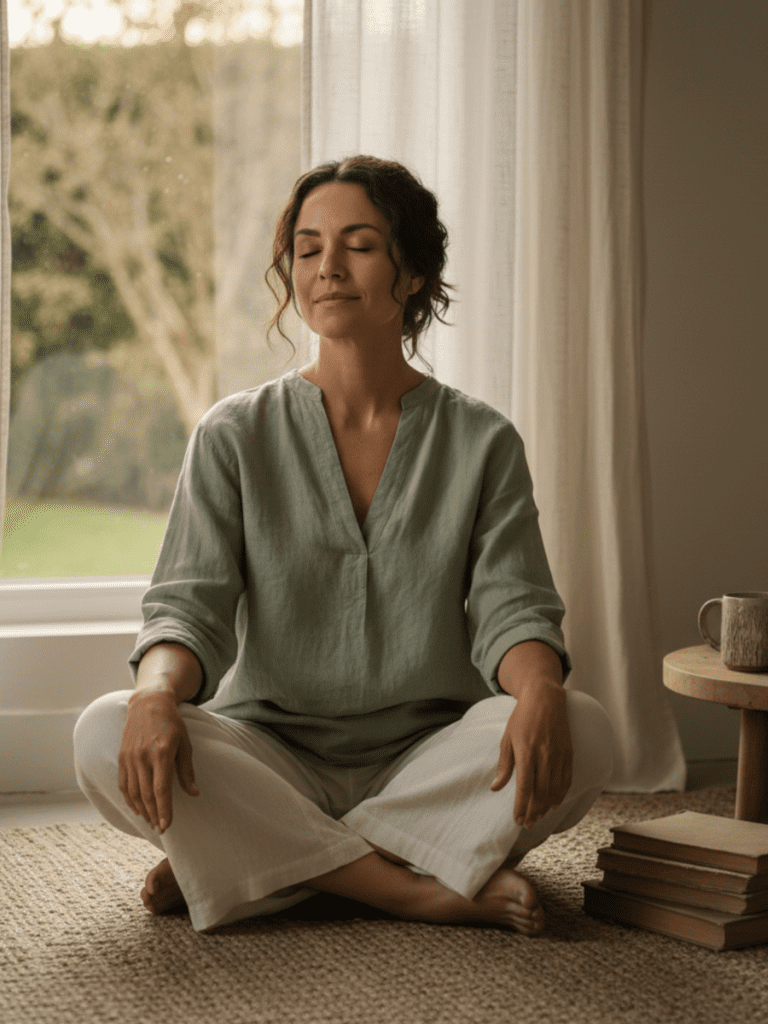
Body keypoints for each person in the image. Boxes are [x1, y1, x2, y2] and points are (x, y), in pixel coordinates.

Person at [74, 155, 614, 937]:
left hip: (427, 755)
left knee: (583, 728)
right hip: (270, 756)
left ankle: (257, 865)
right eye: (307, 248)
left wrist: (539, 695)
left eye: (358, 245)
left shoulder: (481, 440)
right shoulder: (233, 434)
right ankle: (404, 886)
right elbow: (187, 610)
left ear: (414, 272)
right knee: (103, 730)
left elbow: (515, 609)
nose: (327, 267)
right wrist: (156, 697)